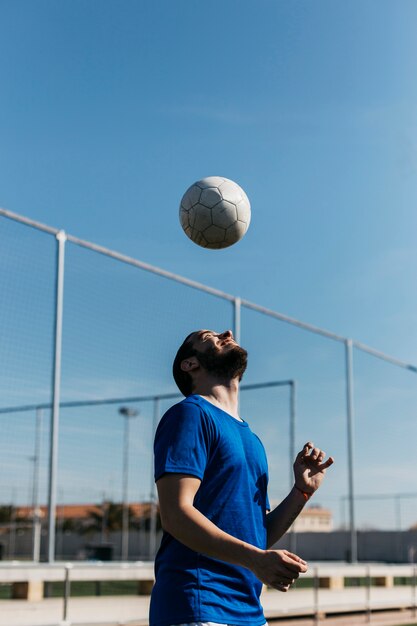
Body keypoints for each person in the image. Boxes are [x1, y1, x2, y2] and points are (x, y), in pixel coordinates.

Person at [150, 329, 334, 626]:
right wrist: (255, 559)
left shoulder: (252, 439)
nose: (228, 333)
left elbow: (256, 533)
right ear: (190, 364)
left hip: (248, 611)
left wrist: (301, 492)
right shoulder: (190, 415)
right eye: (208, 336)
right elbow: (175, 514)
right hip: (198, 603)